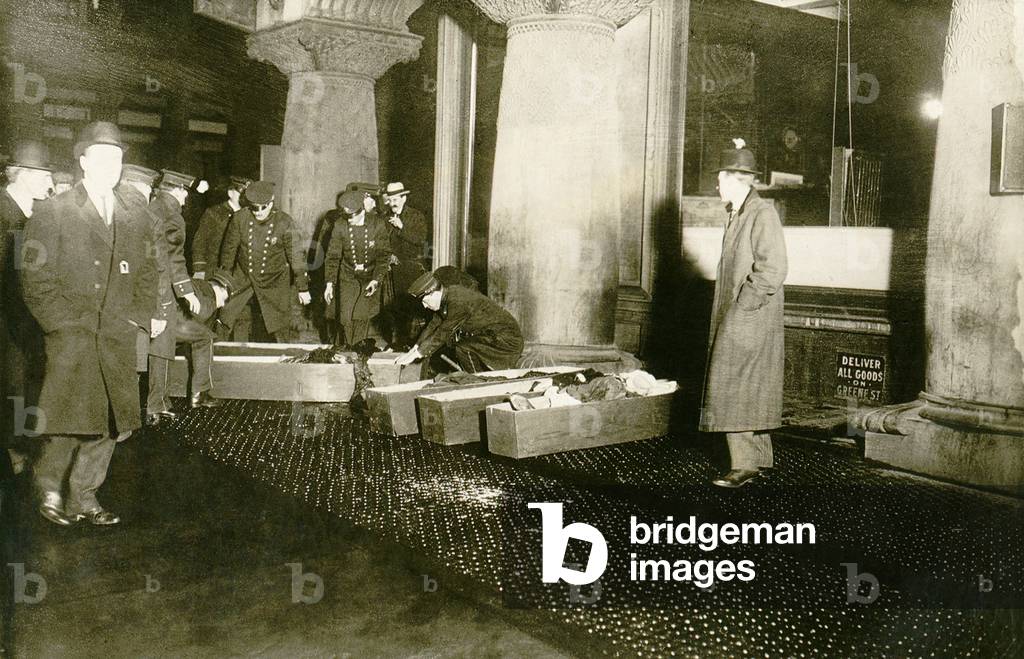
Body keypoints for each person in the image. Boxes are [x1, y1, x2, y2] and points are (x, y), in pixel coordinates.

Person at [21, 121, 157, 526]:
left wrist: (139, 315)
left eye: (116, 158)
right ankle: (47, 488)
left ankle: (85, 496)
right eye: (101, 157)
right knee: (66, 417)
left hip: (116, 331)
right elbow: (33, 275)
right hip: (72, 333)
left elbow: (149, 271)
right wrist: (59, 324)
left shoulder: (136, 214)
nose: (111, 165)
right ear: (82, 162)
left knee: (110, 423)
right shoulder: (54, 211)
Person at [699, 138, 787, 489]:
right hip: (747, 315)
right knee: (752, 384)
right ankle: (760, 460)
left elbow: (773, 268)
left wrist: (742, 307)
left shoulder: (760, 213)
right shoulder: (741, 212)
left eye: (719, 179)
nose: (716, 185)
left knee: (733, 385)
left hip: (749, 314)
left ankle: (743, 465)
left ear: (735, 179)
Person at [146, 170, 229, 424]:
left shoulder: (152, 208)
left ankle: (198, 393)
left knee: (203, 336)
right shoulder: (171, 216)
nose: (185, 199)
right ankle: (155, 407)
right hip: (162, 295)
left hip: (154, 292)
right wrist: (187, 291)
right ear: (178, 191)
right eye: (184, 193)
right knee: (162, 347)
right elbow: (172, 258)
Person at [1, 141, 53, 476]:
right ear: (24, 175)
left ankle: (16, 446)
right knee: (12, 384)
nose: (49, 181)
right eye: (44, 173)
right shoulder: (6, 212)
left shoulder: (24, 211)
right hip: (8, 319)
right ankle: (14, 450)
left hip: (18, 318)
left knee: (19, 384)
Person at [216, 181, 310, 342]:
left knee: (279, 325)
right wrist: (221, 284)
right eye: (254, 208)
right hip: (244, 276)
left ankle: (283, 359)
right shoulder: (240, 218)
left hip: (274, 280)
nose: (258, 212)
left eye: (263, 208)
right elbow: (228, 253)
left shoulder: (284, 222)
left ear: (271, 202)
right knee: (230, 316)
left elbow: (297, 257)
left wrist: (303, 287)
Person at [395, 268, 524, 375]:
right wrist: (414, 349)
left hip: (506, 340)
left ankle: (477, 383)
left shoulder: (458, 301)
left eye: (424, 301)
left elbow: (443, 332)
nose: (424, 306)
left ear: (433, 293)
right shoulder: (447, 297)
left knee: (463, 348)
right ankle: (476, 379)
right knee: (462, 347)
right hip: (491, 336)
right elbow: (432, 327)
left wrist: (418, 354)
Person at [323, 189, 391, 345]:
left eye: (352, 216)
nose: (349, 220)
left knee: (361, 316)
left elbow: (383, 256)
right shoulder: (340, 225)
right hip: (348, 275)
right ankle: (348, 348)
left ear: (362, 210)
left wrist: (376, 280)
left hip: (370, 276)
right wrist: (329, 284)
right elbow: (333, 257)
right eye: (346, 216)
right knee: (345, 318)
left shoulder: (377, 224)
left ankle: (357, 351)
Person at [378, 181, 430, 349]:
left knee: (410, 309)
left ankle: (409, 343)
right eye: (390, 199)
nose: (393, 202)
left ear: (404, 198)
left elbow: (420, 240)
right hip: (391, 270)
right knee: (392, 308)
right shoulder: (385, 218)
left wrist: (402, 227)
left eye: (396, 199)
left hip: (411, 270)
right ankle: (395, 342)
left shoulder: (415, 216)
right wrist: (387, 257)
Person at [192, 175, 250, 279]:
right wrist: (199, 269)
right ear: (230, 193)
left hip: (240, 274)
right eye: (241, 193)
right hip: (214, 271)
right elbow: (200, 242)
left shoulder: (249, 215)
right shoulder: (214, 213)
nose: (244, 198)